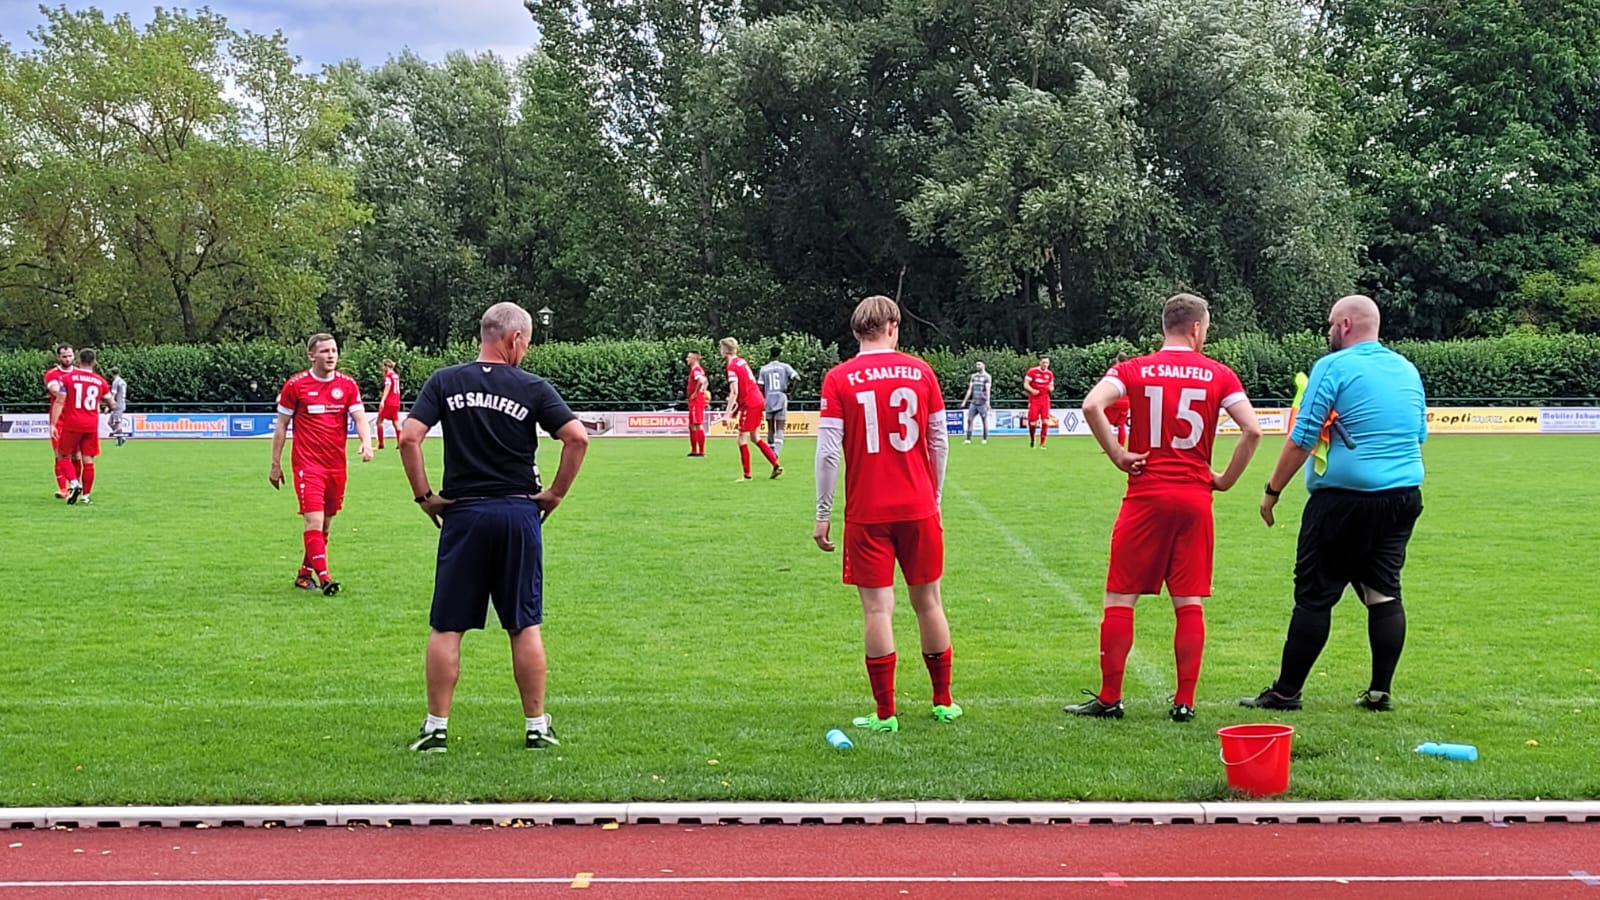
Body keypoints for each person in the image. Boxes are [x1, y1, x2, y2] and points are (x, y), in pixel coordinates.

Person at [399, 302, 590, 753]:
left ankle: (436, 729)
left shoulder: (444, 382)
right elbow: (577, 437)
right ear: (515, 339)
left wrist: (426, 498)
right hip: (517, 513)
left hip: (463, 514)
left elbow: (409, 437)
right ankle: (536, 726)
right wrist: (556, 494)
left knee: (448, 626)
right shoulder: (532, 386)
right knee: (524, 624)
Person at [1067, 294, 1262, 722]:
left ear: (1167, 326)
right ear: (1196, 328)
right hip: (1194, 497)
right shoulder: (1219, 374)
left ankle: (1110, 696)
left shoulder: (1134, 369)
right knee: (1188, 598)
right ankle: (1185, 701)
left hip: (1147, 494)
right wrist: (1225, 480)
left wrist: (1119, 454)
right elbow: (1251, 430)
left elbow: (1091, 405)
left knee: (1120, 595)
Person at [1245, 294, 1426, 713]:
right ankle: (1379, 691)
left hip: (1345, 501)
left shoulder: (1332, 367)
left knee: (1315, 593)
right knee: (1383, 591)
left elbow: (1302, 438)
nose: (1327, 332)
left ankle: (1286, 692)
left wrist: (1272, 491)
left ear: (1345, 325)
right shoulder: (1406, 368)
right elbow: (1419, 436)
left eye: (1330, 324)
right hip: (1402, 497)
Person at [814, 295, 959, 733]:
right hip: (917, 507)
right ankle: (943, 701)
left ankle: (885, 713)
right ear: (893, 326)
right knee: (929, 602)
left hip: (867, 511)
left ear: (857, 332)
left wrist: (823, 512)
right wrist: (933, 497)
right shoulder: (921, 371)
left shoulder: (839, 378)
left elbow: (827, 453)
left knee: (878, 610)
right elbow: (939, 441)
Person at [269, 333, 373, 596]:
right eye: (325, 351)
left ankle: (305, 574)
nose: (331, 355)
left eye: (334, 350)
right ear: (311, 355)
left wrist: (366, 441)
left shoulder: (347, 385)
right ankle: (325, 578)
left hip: (336, 465)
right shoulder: (296, 386)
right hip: (307, 464)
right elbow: (281, 427)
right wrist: (275, 464)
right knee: (313, 520)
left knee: (325, 524)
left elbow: (360, 417)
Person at [50, 347, 111, 505]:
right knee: (88, 460)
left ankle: (74, 483)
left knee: (62, 455)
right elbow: (111, 402)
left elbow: (60, 400)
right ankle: (86, 496)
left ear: (78, 360)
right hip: (91, 425)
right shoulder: (100, 381)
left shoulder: (68, 379)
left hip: (72, 423)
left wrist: (53, 424)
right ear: (95, 362)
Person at [720, 337, 782, 480]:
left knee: (741, 439)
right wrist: (735, 411)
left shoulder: (732, 366)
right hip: (757, 400)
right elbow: (745, 387)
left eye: (721, 348)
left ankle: (746, 475)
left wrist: (727, 414)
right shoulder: (741, 362)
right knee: (755, 437)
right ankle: (776, 464)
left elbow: (734, 392)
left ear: (725, 350)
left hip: (750, 404)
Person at [44, 344, 76, 498]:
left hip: (75, 419)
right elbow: (56, 392)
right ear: (58, 357)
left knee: (76, 455)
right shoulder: (52, 374)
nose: (68, 359)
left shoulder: (79, 374)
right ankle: (63, 489)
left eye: (70, 355)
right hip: (59, 420)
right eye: (64, 356)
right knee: (59, 455)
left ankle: (74, 486)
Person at [759, 347, 800, 457]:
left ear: (770, 354)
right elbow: (797, 378)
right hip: (781, 397)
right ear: (780, 355)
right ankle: (776, 452)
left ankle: (771, 453)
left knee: (770, 428)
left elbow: (760, 387)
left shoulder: (764, 369)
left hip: (768, 399)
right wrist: (792, 393)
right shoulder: (785, 367)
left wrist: (762, 399)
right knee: (780, 428)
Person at [1024, 356, 1055, 448]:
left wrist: (1051, 389)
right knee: (1033, 422)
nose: (1045, 365)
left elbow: (1052, 386)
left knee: (1045, 421)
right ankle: (1032, 439)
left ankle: (1042, 443)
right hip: (1034, 399)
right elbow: (1025, 384)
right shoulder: (1032, 371)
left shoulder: (1049, 374)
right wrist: (1032, 390)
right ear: (1040, 363)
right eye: (1044, 362)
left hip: (1045, 399)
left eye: (1047, 363)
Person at [958, 361, 991, 444]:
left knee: (984, 420)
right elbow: (970, 389)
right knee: (969, 420)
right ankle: (968, 439)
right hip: (974, 401)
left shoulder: (987, 377)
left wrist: (987, 401)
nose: (977, 366)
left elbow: (988, 390)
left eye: (979, 364)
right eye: (976, 365)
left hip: (982, 402)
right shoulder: (974, 376)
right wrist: (964, 401)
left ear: (983, 365)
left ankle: (984, 439)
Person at [685, 351, 709, 457]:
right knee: (691, 425)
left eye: (689, 357)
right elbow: (705, 380)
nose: (687, 359)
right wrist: (703, 390)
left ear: (695, 358)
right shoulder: (697, 370)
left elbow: (701, 380)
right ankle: (694, 450)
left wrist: (696, 393)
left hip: (696, 400)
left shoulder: (696, 370)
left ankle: (701, 451)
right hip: (695, 400)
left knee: (697, 424)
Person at [1105, 352, 1131, 447]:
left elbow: (1108, 385)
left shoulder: (1115, 369)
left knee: (1105, 422)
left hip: (1114, 400)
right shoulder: (1131, 370)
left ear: (1117, 359)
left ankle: (1108, 445)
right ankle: (1121, 446)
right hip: (1126, 401)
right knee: (1121, 425)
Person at [375, 359, 403, 450]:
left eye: (383, 366)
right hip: (396, 401)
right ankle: (400, 443)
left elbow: (387, 388)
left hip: (389, 402)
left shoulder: (389, 376)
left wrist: (382, 400)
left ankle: (381, 443)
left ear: (386, 366)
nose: (382, 368)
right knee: (395, 422)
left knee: (379, 422)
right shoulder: (396, 375)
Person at [108, 368, 129, 446]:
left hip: (118, 404)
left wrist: (109, 405)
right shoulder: (123, 381)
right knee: (110, 422)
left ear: (112, 373)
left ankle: (120, 441)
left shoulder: (116, 382)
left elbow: (113, 394)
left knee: (118, 422)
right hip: (122, 403)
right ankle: (122, 437)